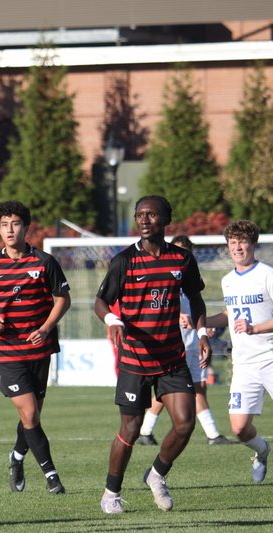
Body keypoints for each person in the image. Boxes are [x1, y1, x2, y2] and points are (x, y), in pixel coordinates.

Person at [95, 195, 210, 514]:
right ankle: (111, 493)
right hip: (135, 359)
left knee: (186, 423)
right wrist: (113, 319)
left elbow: (196, 299)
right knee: (130, 429)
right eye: (139, 215)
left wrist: (201, 333)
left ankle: (156, 474)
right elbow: (100, 302)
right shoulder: (124, 261)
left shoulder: (182, 260)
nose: (144, 220)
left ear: (166, 219)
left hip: (172, 358)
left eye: (151, 214)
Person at [0, 200, 71, 495]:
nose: (9, 229)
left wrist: (44, 328)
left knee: (32, 417)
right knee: (28, 412)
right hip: (8, 350)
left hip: (40, 349)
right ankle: (52, 476)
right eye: (4, 224)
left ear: (26, 228)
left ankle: (16, 457)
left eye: (15, 223)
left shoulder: (44, 262)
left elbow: (63, 299)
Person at [136, 235, 233, 446]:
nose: (181, 256)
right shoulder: (164, 276)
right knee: (176, 390)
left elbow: (196, 308)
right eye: (178, 251)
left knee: (195, 389)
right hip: (174, 345)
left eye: (186, 252)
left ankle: (147, 431)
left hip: (193, 344)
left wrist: (204, 328)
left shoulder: (190, 278)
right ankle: (212, 435)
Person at [205, 220, 273, 483]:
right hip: (244, 364)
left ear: (253, 244)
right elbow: (230, 315)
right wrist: (202, 323)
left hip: (270, 357)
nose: (237, 247)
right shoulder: (228, 281)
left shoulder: (267, 274)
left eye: (242, 242)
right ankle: (262, 450)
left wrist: (255, 329)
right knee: (239, 428)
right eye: (232, 243)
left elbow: (250, 323)